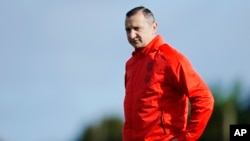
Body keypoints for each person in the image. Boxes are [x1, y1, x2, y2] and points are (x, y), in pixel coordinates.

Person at [122, 6, 214, 141]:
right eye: (128, 30)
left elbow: (204, 99)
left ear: (154, 27)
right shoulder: (130, 64)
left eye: (137, 29)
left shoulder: (170, 58)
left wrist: (187, 138)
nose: (131, 35)